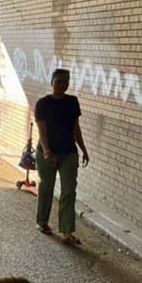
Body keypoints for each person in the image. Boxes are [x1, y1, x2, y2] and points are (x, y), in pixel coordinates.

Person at [34, 68, 89, 245]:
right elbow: (42, 131)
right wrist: (47, 150)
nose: (62, 85)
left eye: (65, 82)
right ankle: (42, 222)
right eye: (58, 81)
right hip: (47, 152)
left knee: (69, 191)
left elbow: (75, 128)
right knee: (47, 187)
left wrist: (83, 149)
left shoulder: (72, 102)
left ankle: (67, 231)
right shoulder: (43, 104)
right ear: (52, 82)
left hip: (68, 152)